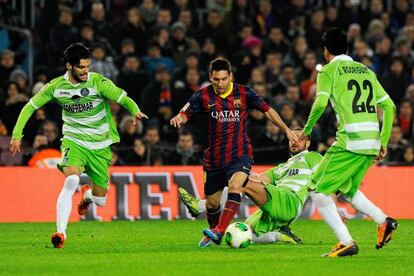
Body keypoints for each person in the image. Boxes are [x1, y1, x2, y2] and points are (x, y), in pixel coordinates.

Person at [9, 43, 148, 248]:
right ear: (69, 66)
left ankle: (88, 195)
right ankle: (60, 233)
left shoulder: (98, 82)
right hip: (74, 141)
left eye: (88, 66)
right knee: (71, 180)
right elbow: (30, 107)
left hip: (100, 145)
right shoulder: (56, 87)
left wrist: (134, 110)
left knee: (100, 200)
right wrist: (16, 134)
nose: (86, 71)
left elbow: (121, 97)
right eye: (81, 67)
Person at [170, 57, 298, 247]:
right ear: (210, 78)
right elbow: (185, 112)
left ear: (230, 76)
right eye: (216, 79)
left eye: (223, 79)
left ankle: (219, 231)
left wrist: (287, 130)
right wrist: (180, 118)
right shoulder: (202, 96)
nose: (220, 84)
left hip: (239, 155)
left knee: (235, 185)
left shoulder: (244, 93)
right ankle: (214, 231)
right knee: (212, 204)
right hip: (213, 159)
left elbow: (268, 111)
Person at [302, 28, 398, 257]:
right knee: (346, 190)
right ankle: (383, 221)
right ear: (347, 48)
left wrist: (306, 131)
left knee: (316, 189)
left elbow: (319, 104)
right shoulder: (366, 71)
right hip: (371, 142)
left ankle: (346, 241)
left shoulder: (328, 71)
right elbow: (390, 107)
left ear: (326, 51)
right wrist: (383, 142)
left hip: (350, 141)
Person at [179, 129, 320, 245]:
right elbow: (258, 179)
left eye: (300, 138)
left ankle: (200, 206)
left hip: (290, 200)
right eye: (292, 138)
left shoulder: (312, 157)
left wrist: (333, 205)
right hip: (276, 205)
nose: (295, 141)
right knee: (247, 232)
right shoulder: (282, 167)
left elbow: (326, 177)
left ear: (308, 142)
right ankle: (280, 235)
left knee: (240, 183)